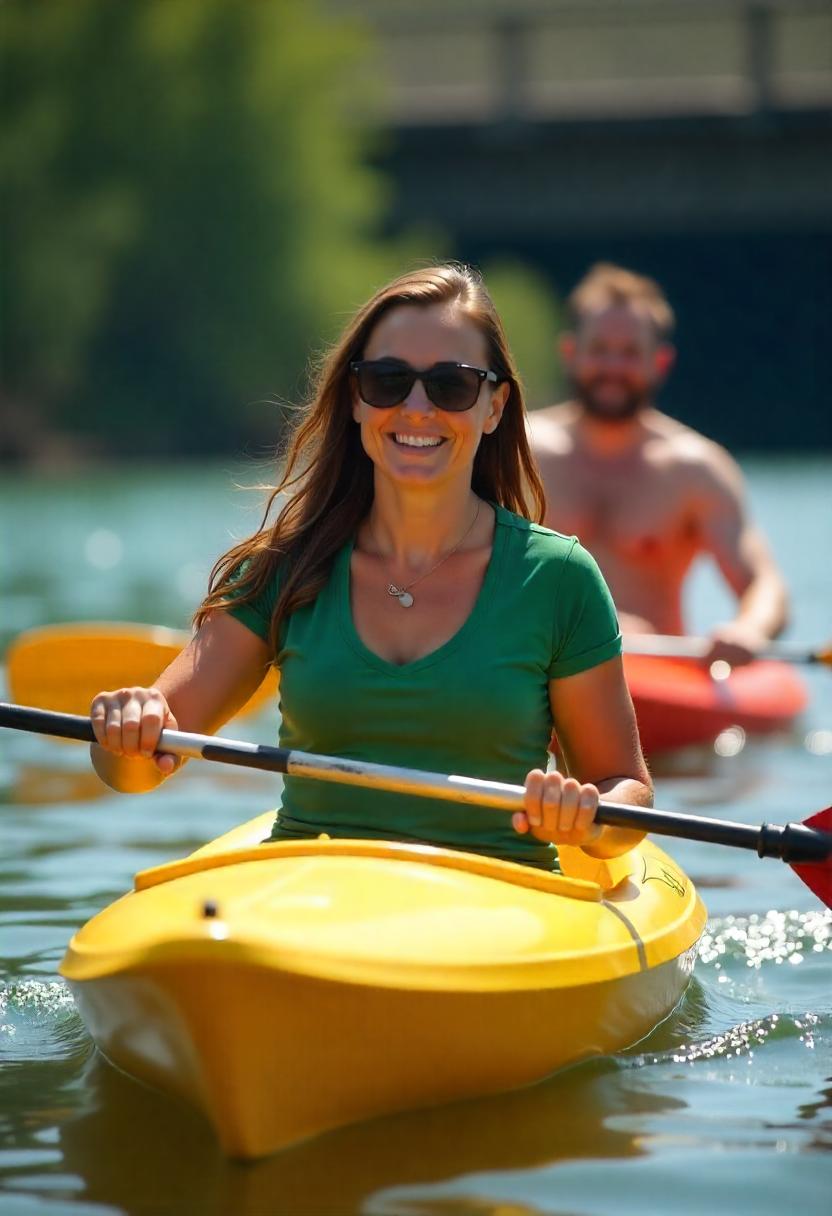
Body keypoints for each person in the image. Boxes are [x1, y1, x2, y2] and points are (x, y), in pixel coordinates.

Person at [89, 264, 651, 868]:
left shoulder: (560, 578)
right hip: (314, 895)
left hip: (499, 912)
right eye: (387, 381)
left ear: (494, 407)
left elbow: (629, 793)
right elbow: (131, 774)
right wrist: (130, 727)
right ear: (357, 399)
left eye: (451, 386)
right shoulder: (286, 566)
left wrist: (589, 816)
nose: (415, 408)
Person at [529, 263, 788, 667]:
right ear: (570, 353)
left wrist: (748, 630)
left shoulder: (694, 469)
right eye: (599, 350)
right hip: (540, 663)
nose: (613, 368)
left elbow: (763, 584)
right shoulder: (518, 453)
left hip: (657, 674)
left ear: (660, 362)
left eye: (630, 353)